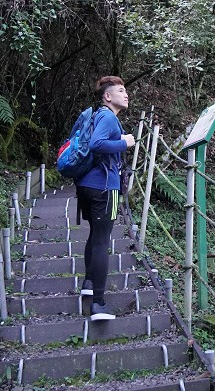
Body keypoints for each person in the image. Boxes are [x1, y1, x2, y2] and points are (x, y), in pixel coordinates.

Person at [76, 75, 135, 321]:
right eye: (121, 91)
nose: (126, 94)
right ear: (107, 96)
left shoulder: (98, 115)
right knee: (102, 242)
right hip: (104, 187)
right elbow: (97, 143)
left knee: (94, 235)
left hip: (86, 184)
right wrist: (125, 143)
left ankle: (89, 281)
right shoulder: (109, 116)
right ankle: (98, 304)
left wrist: (118, 140)